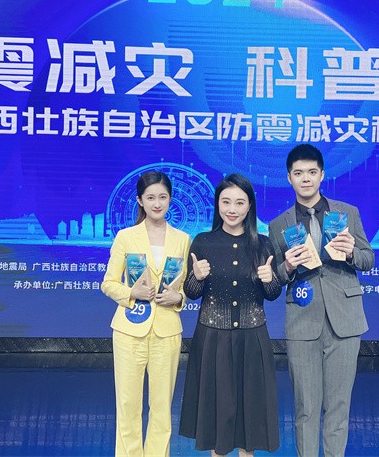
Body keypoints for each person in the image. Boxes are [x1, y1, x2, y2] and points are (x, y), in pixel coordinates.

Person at [268, 144, 374, 457]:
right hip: (303, 320)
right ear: (289, 178)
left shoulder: (347, 213)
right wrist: (287, 267)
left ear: (322, 175)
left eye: (312, 172)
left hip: (345, 317)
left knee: (339, 405)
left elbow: (368, 259)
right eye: (299, 173)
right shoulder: (279, 224)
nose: (306, 179)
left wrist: (351, 253)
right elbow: (275, 277)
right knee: (306, 406)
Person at [179, 173, 282, 456]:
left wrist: (269, 279)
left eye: (239, 202)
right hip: (213, 340)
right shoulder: (203, 241)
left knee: (250, 419)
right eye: (226, 202)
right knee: (218, 420)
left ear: (250, 206)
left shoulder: (263, 244)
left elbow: (273, 293)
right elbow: (192, 292)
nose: (232, 209)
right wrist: (197, 277)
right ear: (218, 204)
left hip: (252, 340)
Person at [101, 170, 191, 457]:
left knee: (162, 408)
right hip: (129, 330)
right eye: (150, 198)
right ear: (140, 201)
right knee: (128, 406)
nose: (157, 203)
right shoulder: (126, 237)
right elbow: (108, 283)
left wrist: (179, 298)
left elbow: (186, 286)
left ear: (170, 199)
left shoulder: (182, 239)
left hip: (167, 331)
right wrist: (131, 293)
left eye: (162, 197)